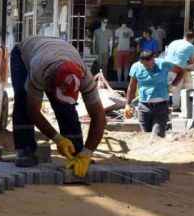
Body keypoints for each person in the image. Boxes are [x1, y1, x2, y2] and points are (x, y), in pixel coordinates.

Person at [10, 36, 107, 178]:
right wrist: (57, 139)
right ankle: (25, 149)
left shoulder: (86, 77)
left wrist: (87, 152)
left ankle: (75, 149)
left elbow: (99, 118)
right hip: (24, 54)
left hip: (56, 53)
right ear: (50, 81)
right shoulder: (39, 70)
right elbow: (33, 111)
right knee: (22, 99)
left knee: (65, 106)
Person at [125, 51, 174, 138]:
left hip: (161, 106)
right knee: (145, 135)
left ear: (153, 59)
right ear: (141, 62)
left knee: (158, 134)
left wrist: (174, 84)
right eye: (145, 65)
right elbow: (132, 86)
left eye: (150, 64)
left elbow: (180, 71)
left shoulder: (163, 64)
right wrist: (127, 104)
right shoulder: (136, 67)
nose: (148, 67)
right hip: (144, 106)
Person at [164, 31, 194, 111]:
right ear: (192, 39)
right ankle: (176, 107)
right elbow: (192, 61)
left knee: (166, 88)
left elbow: (167, 54)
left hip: (165, 67)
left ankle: (163, 106)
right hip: (177, 69)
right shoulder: (191, 46)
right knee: (176, 89)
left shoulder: (174, 42)